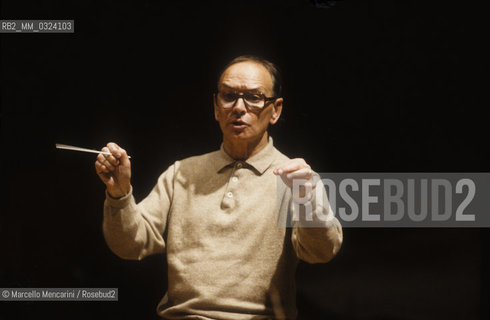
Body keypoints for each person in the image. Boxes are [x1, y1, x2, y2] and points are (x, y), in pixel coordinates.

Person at [95, 55, 343, 320]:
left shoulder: (295, 178)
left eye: (254, 97)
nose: (238, 107)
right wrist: (119, 194)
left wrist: (308, 202)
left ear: (276, 110)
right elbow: (130, 245)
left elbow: (322, 252)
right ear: (216, 106)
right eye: (228, 96)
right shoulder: (182, 173)